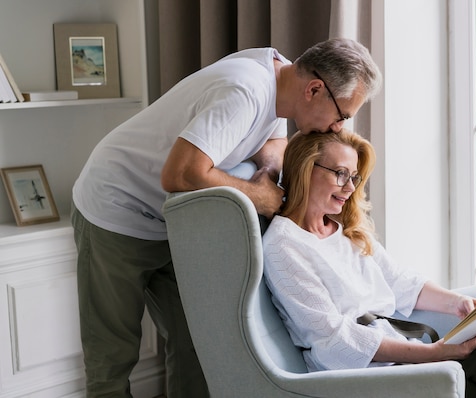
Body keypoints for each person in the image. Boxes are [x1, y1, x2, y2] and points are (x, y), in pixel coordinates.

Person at [70, 38, 382, 397]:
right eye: (342, 114)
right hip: (117, 209)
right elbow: (181, 174)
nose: (338, 128)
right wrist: (259, 195)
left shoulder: (281, 79)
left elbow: (273, 142)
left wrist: (268, 168)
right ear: (315, 89)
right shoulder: (244, 91)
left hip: (173, 223)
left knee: (198, 346)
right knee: (112, 356)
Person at [262, 130, 476, 397]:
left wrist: (459, 304)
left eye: (354, 177)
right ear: (305, 169)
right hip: (364, 376)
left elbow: (401, 282)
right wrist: (433, 354)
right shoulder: (284, 245)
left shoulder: (345, 232)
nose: (350, 187)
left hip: (401, 357)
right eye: (340, 173)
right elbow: (333, 338)